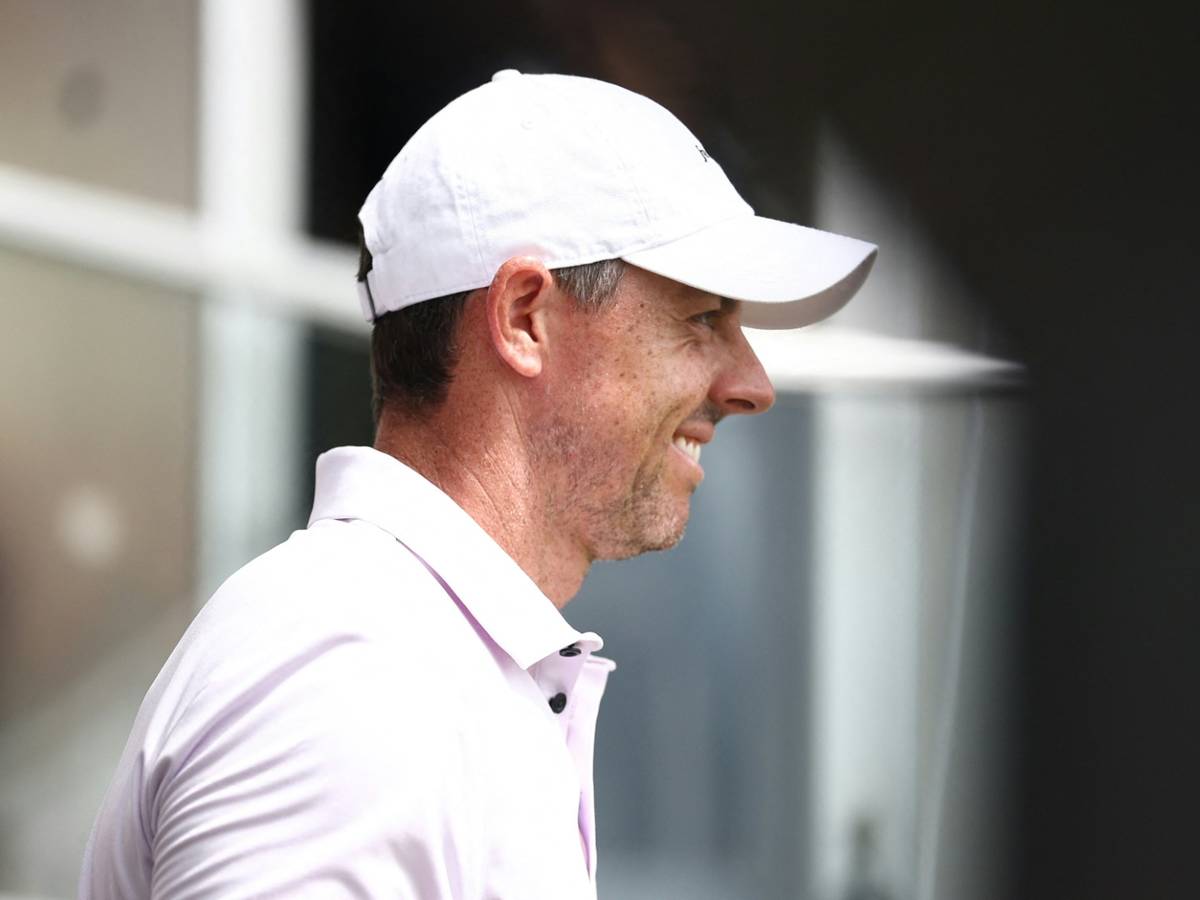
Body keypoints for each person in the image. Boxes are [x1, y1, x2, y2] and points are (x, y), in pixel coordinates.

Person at [80, 70, 876, 899]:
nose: (752, 385)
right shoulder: (359, 672)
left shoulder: (403, 655)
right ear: (525, 317)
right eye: (702, 317)